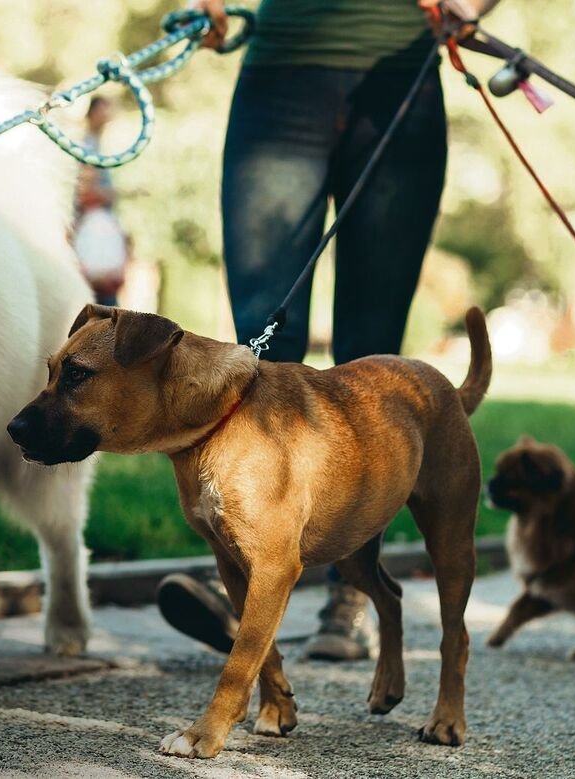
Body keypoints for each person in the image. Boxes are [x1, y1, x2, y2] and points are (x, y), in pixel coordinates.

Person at [156, 0, 500, 661]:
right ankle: (247, 571)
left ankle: (353, 587)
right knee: (260, 340)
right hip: (280, 78)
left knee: (369, 357)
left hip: (400, 69)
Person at [73, 96, 130, 306]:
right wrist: (115, 193)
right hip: (93, 228)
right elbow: (86, 190)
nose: (107, 117)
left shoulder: (95, 144)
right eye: (103, 111)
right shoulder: (88, 146)